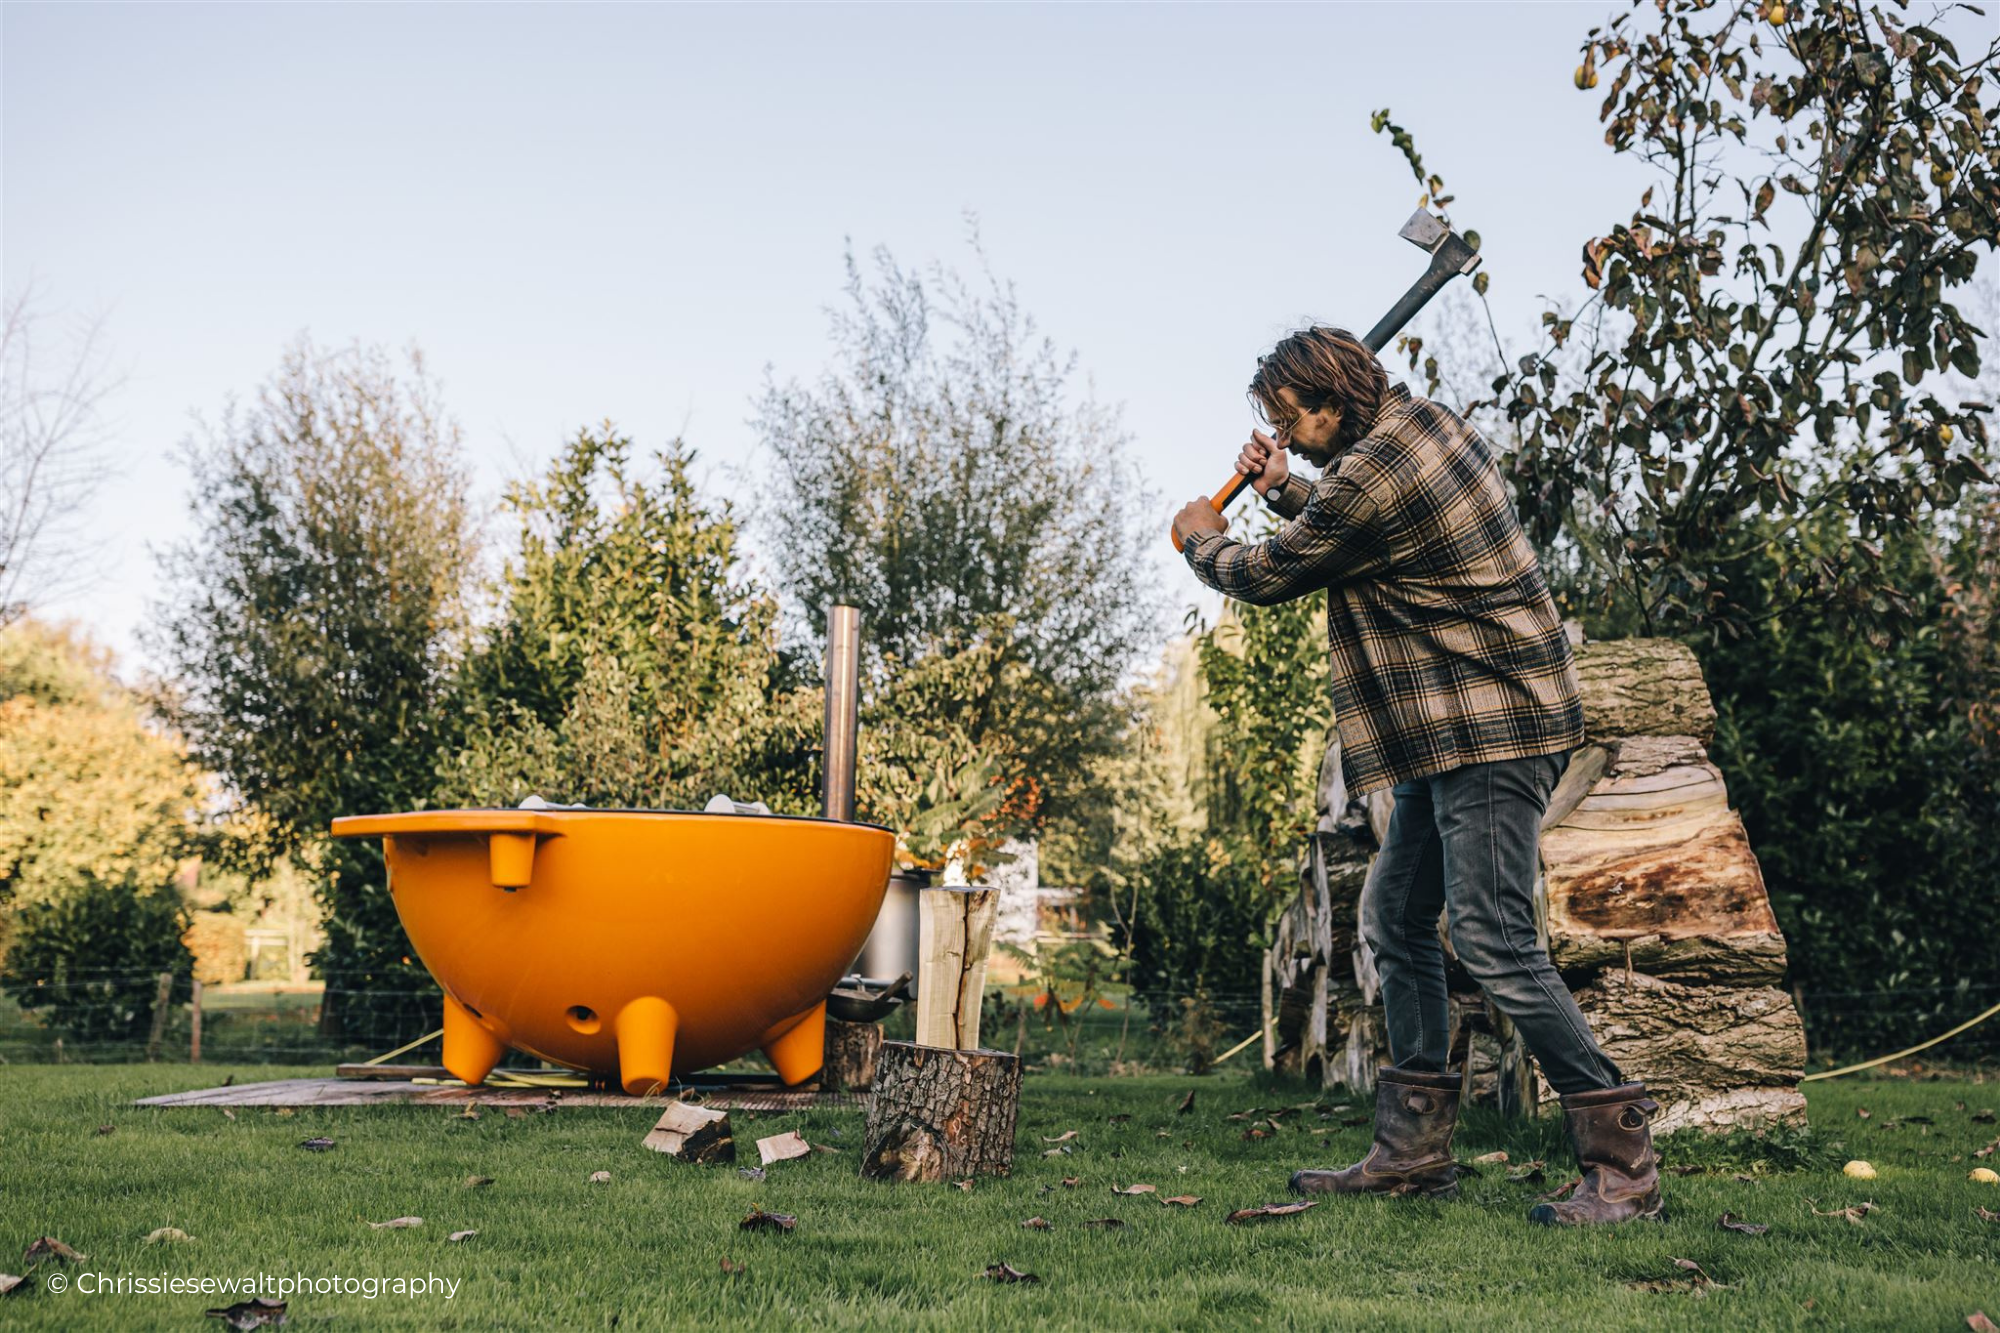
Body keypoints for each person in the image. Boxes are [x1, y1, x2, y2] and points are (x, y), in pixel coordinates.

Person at [1172, 325, 1661, 1227]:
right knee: (1394, 916)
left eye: (1291, 420)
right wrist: (1284, 487)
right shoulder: (1420, 429)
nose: (1284, 432)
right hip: (1454, 727)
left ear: (1331, 405)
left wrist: (1203, 541)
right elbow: (1353, 530)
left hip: (1492, 726)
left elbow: (1284, 568)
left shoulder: (1371, 471)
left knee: (1493, 936)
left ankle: (1624, 1164)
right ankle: (1414, 1152)